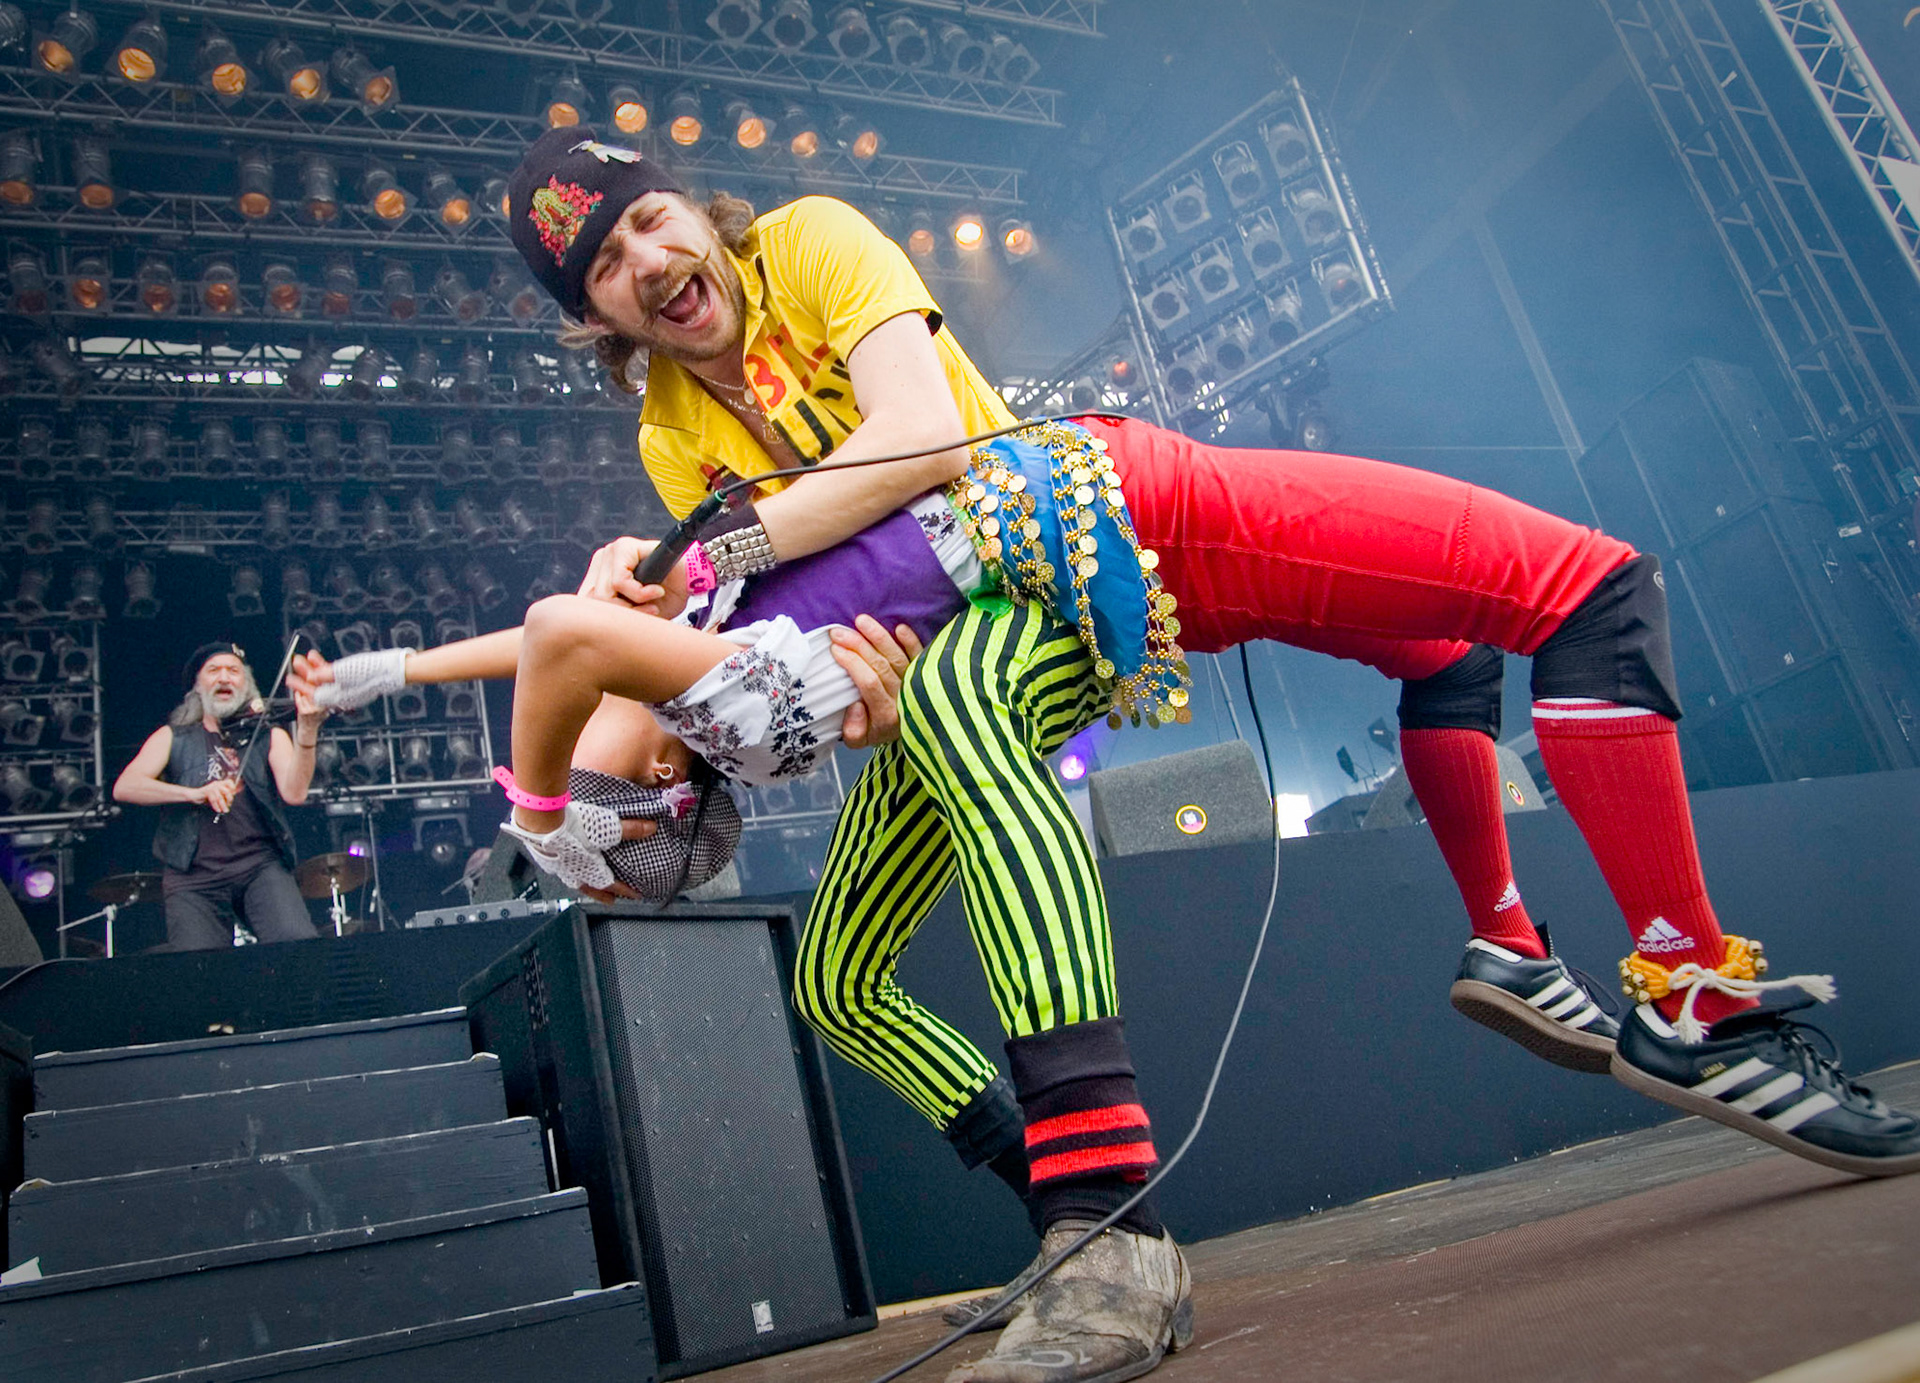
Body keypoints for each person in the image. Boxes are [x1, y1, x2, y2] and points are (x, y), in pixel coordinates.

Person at [504, 129, 1920, 1383]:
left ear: (690, 211)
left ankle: (1621, 973)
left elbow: (925, 435)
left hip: (1095, 529)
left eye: (647, 219)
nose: (648, 258)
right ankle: (1089, 1214)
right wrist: (836, 687)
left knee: (1526, 611)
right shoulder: (670, 430)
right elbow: (816, 632)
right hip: (975, 642)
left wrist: (719, 551)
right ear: (595, 317)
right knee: (837, 965)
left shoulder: (807, 237)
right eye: (606, 265)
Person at [111, 643, 324, 952]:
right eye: (214, 670)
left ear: (246, 684)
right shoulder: (174, 736)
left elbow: (295, 793)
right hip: (193, 877)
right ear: (198, 687)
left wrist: (307, 731)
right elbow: (126, 786)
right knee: (201, 971)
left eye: (234, 671)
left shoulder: (268, 734)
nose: (224, 677)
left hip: (259, 865)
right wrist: (194, 793)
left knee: (298, 948)